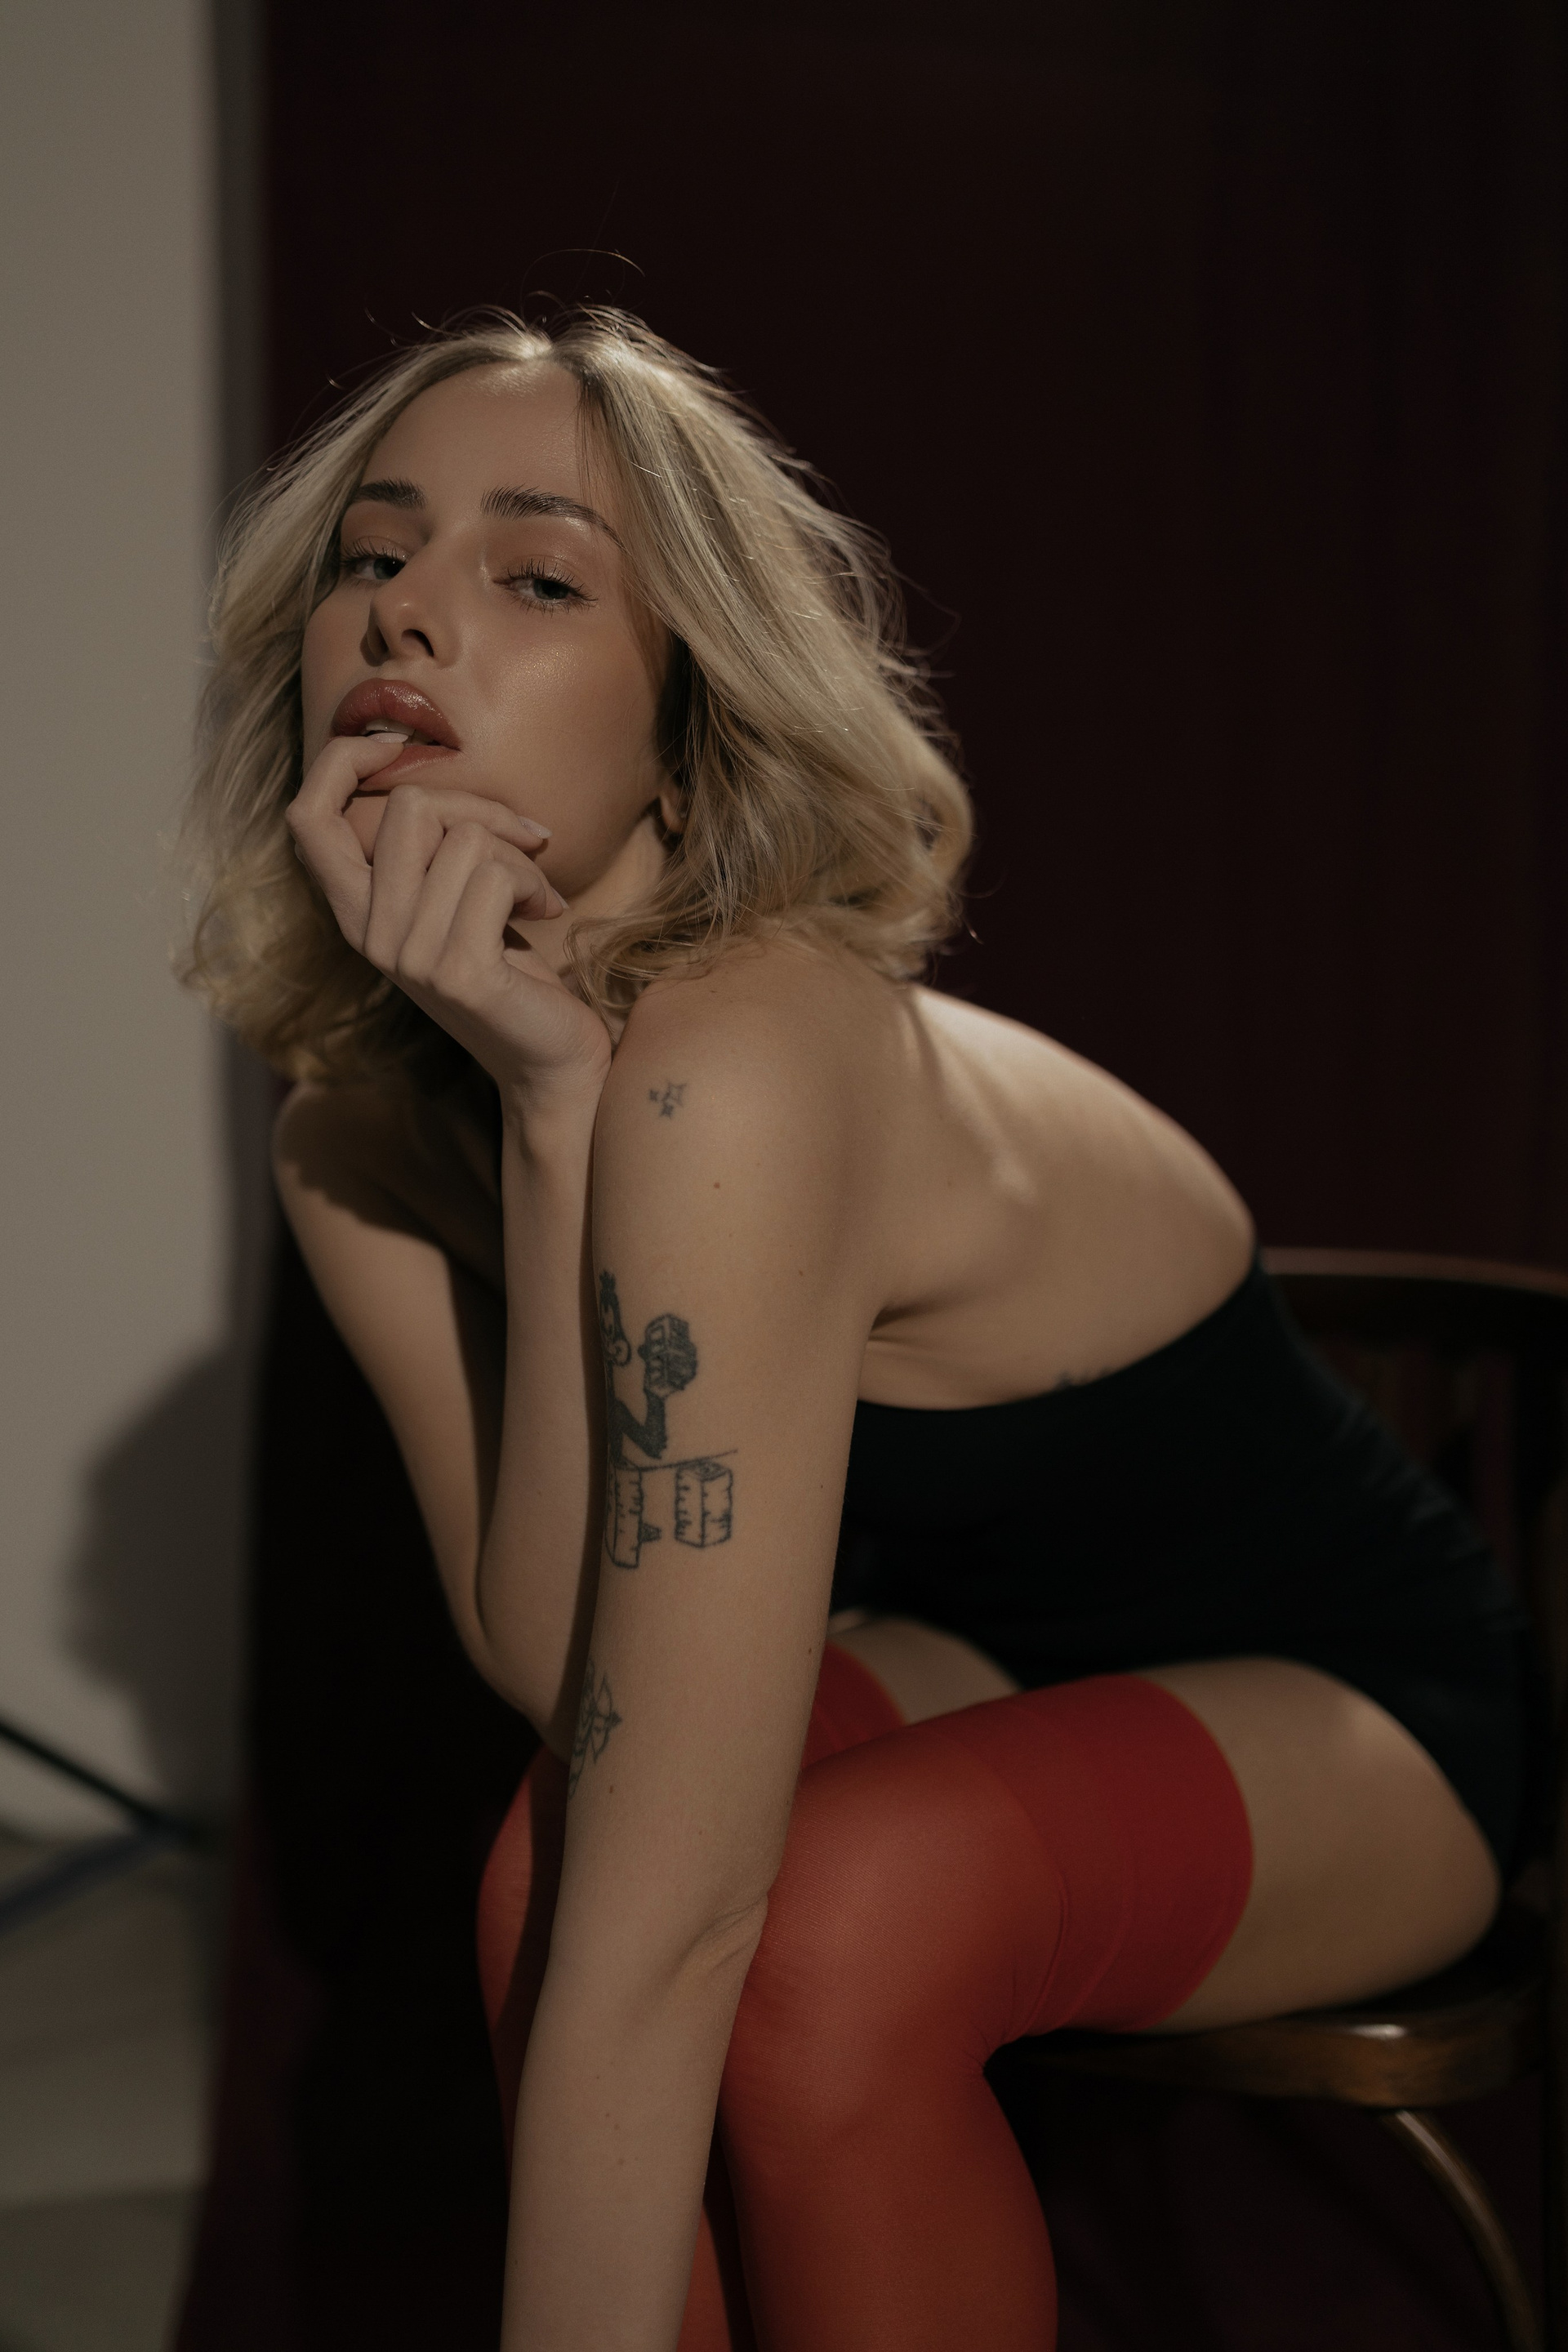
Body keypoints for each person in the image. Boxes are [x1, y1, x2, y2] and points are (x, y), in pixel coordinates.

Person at [181, 309, 1544, 2352]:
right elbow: (568, 1664)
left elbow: (686, 1910)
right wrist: (547, 1121)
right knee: (549, 1878)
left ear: (691, 712)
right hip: (984, 1647)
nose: (410, 611)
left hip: (1356, 1698)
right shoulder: (360, 1134)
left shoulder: (750, 1050)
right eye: (372, 556)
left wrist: (596, 1109)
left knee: (815, 1936)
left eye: (538, 576)